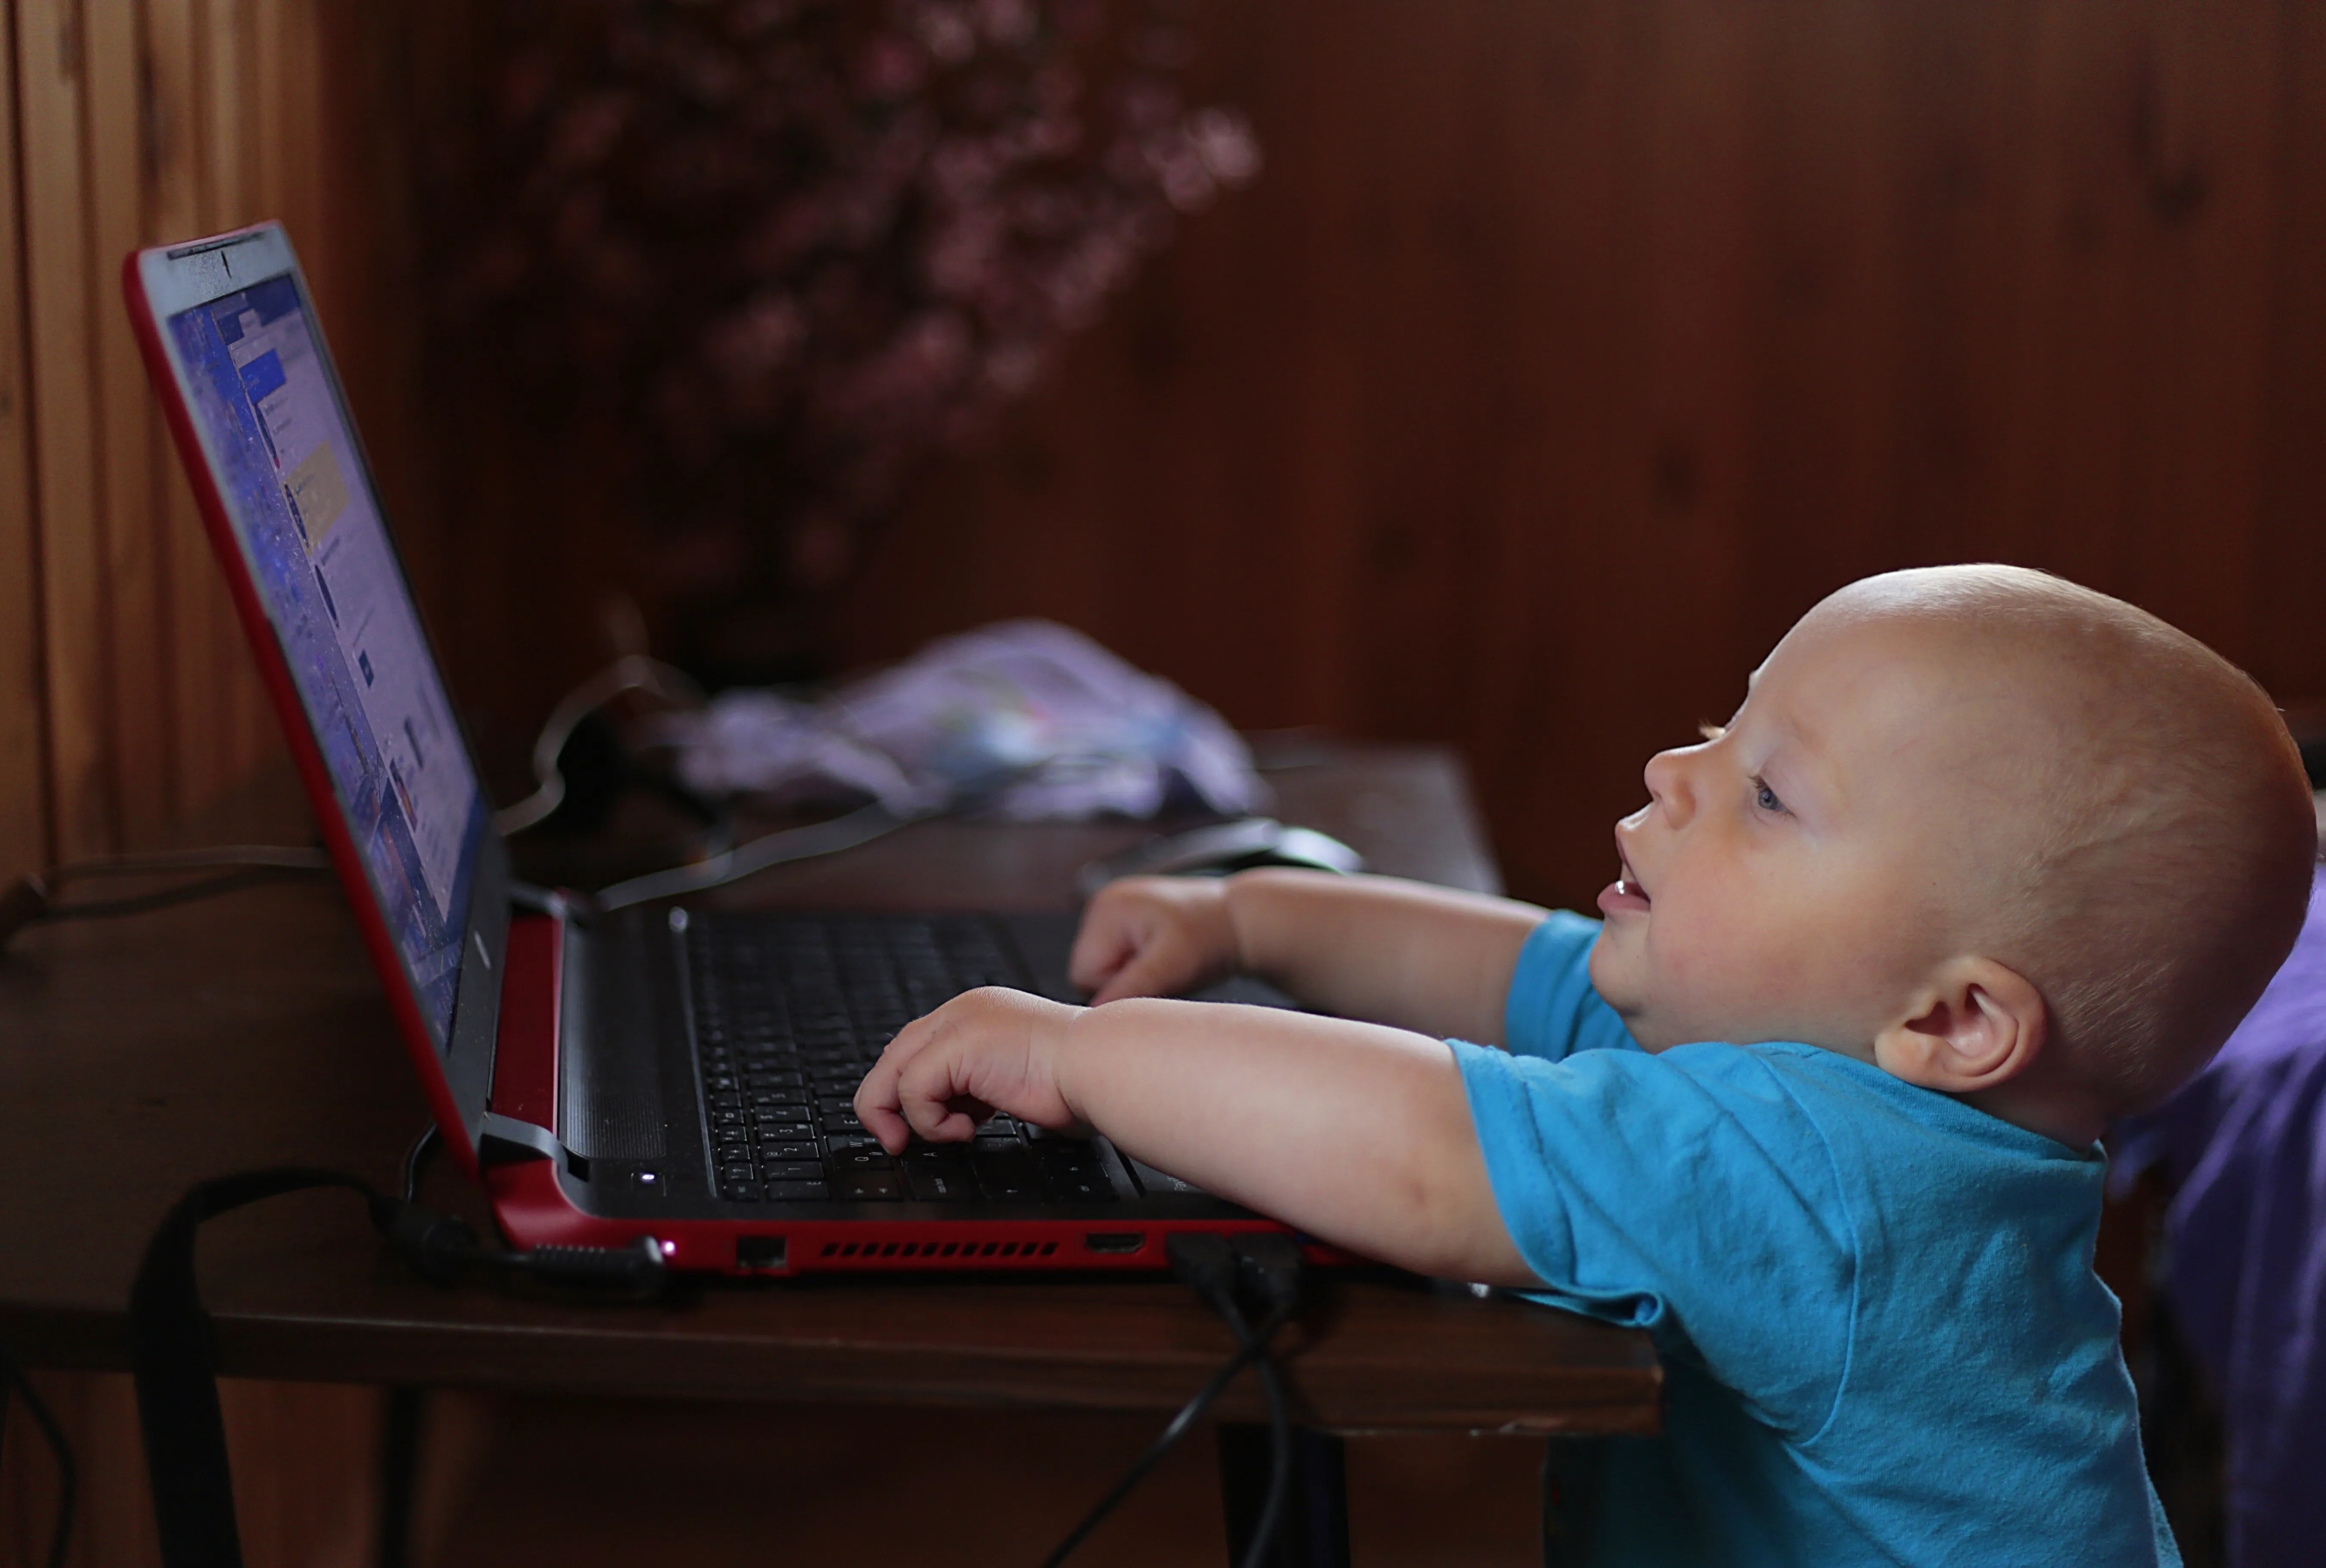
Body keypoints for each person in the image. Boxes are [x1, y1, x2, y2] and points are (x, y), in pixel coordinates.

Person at [854, 564, 2319, 1565]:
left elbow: (1424, 1152)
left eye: (1765, 791)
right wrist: (1247, 916)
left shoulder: (1828, 1174)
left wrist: (1085, 1056)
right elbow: (1516, 970)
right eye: (1721, 724)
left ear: (1952, 1022)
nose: (1677, 775)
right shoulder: (1826, 1062)